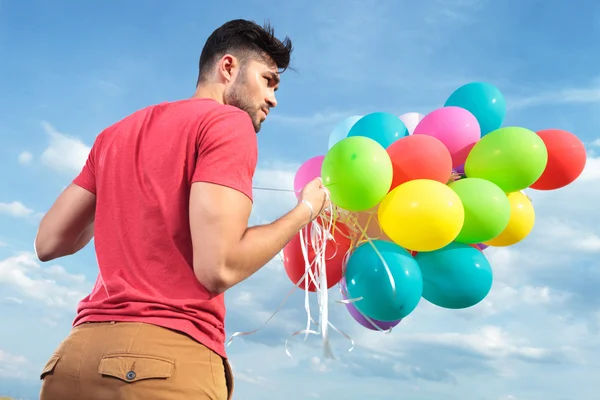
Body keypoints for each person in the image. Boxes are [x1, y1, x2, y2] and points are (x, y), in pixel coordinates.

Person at [34, 19, 329, 400]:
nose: (273, 98)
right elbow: (218, 268)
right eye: (268, 80)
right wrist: (306, 208)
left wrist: (124, 185)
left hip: (72, 361)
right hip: (161, 364)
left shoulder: (116, 134)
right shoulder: (227, 123)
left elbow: (49, 241)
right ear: (228, 68)